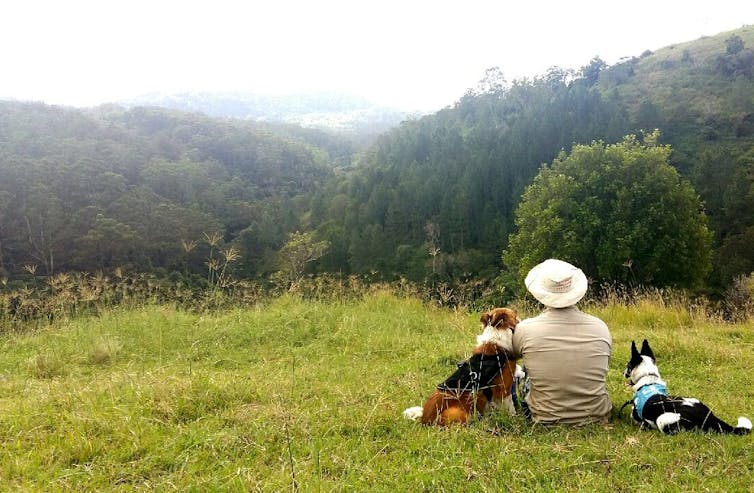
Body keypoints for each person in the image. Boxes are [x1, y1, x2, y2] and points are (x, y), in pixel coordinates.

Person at [511, 258, 612, 425]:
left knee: (524, 374)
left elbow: (511, 357)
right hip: (597, 416)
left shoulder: (525, 328)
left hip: (544, 418)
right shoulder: (600, 327)